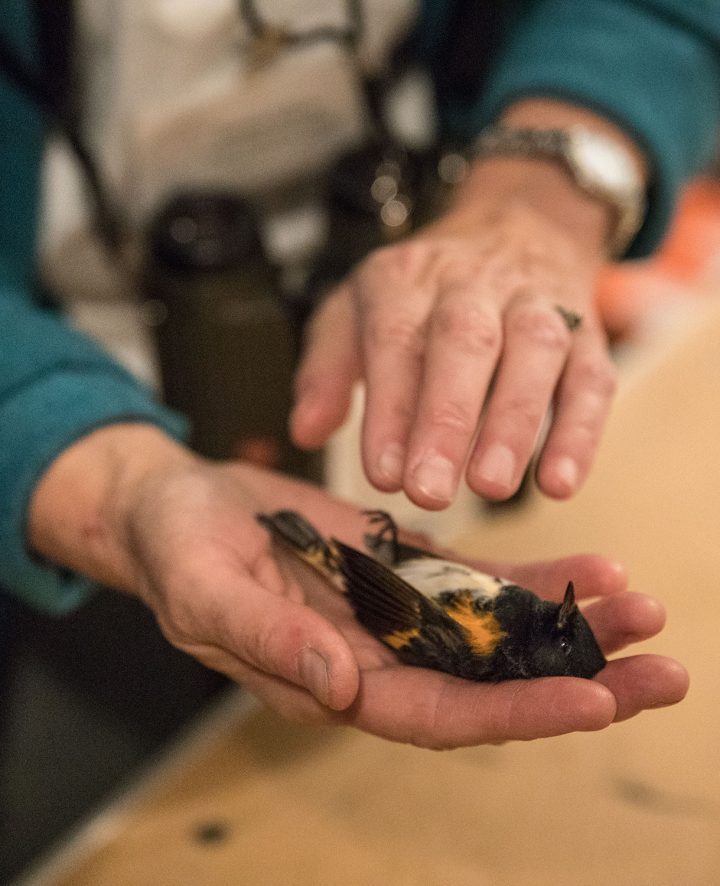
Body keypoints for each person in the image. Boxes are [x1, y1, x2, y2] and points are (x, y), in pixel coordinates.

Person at [1, 0, 709, 749]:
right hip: (76, 367)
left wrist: (544, 194)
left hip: (424, 279)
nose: (557, 619)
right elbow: (399, 602)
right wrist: (98, 472)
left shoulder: (489, 638)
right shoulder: (497, 631)